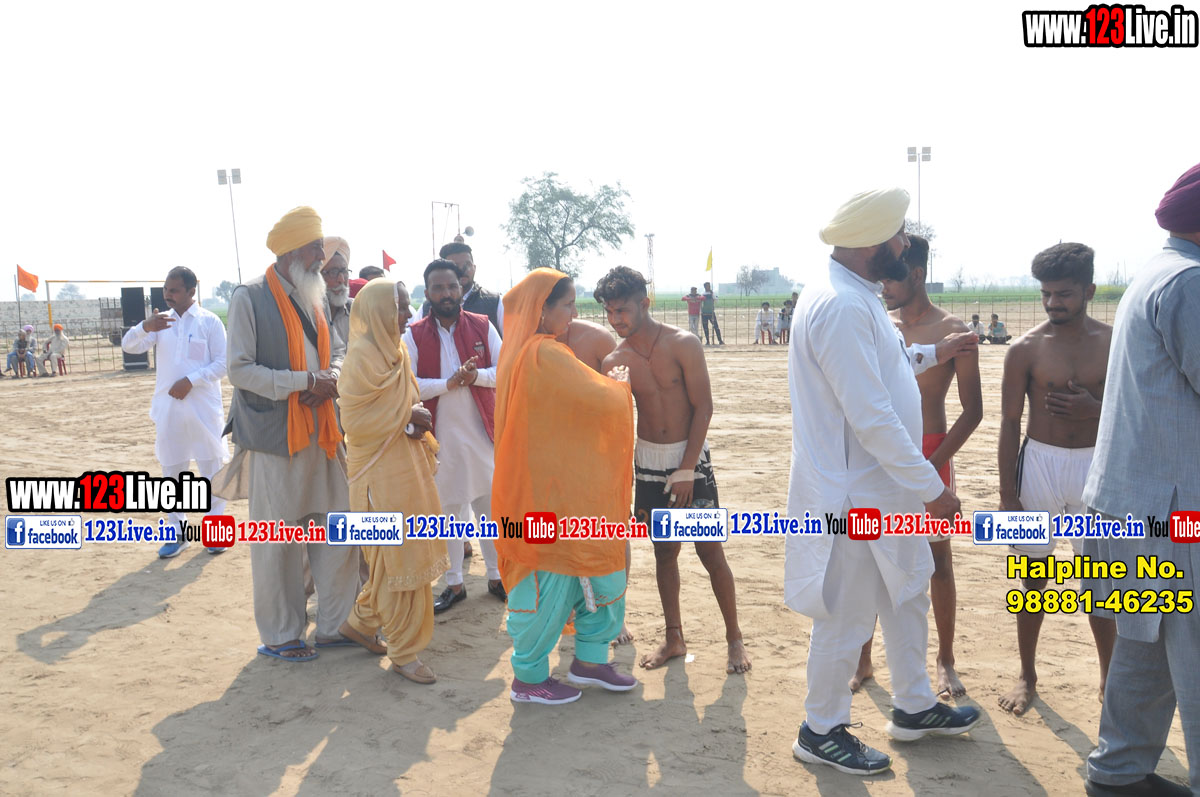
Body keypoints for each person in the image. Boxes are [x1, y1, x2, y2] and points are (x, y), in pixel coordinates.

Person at [785, 187, 981, 776]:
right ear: (872, 243)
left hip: (883, 490)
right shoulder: (841, 305)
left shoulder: (856, 295)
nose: (903, 245)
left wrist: (934, 352)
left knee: (907, 589)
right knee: (847, 613)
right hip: (856, 497)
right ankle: (820, 729)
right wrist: (933, 489)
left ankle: (914, 706)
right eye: (896, 236)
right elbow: (871, 417)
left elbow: (883, 365)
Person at [1080, 163, 1200, 797]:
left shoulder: (1158, 272)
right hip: (1177, 516)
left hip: (1136, 505)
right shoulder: (1190, 284)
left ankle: (1118, 774)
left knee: (1145, 646)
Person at [213, 206, 361, 662]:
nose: (322, 257)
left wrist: (332, 375)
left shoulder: (314, 294)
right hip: (276, 438)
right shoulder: (249, 297)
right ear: (293, 250)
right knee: (278, 541)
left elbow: (339, 349)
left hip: (324, 433)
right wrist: (303, 383)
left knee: (337, 532)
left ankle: (336, 626)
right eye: (315, 248)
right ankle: (281, 635)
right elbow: (240, 370)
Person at [596, 266, 751, 675]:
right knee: (665, 552)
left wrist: (686, 469)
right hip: (648, 464)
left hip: (690, 459)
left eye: (622, 310)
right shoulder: (614, 361)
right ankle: (674, 637)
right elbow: (611, 423)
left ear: (644, 304)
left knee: (709, 550)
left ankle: (734, 638)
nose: (615, 319)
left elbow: (704, 407)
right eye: (609, 312)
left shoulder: (683, 343)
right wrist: (615, 391)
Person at [493, 267, 637, 704]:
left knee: (585, 570)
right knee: (550, 579)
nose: (574, 314)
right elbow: (600, 399)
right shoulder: (543, 354)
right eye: (568, 305)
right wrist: (621, 386)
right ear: (543, 310)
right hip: (547, 497)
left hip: (555, 489)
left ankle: (589, 662)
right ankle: (529, 679)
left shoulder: (526, 352)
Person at [855, 235, 983, 698]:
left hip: (932, 451)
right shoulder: (879, 324)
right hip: (879, 456)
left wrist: (930, 467)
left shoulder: (952, 330)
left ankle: (945, 660)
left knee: (937, 560)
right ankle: (864, 658)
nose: (883, 287)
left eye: (891, 279)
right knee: (869, 556)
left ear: (916, 275)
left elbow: (973, 411)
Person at [997, 242, 1117, 716]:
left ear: (1089, 290)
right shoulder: (1025, 349)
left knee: (1100, 579)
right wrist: (1007, 495)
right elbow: (1009, 422)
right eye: (1046, 293)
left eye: (1064, 293)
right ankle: (1027, 675)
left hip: (1096, 465)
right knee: (1033, 577)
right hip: (1039, 465)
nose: (1053, 302)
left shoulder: (1115, 343)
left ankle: (1109, 678)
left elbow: (1135, 412)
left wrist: (1095, 408)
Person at [337, 278, 450, 684]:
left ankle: (361, 623)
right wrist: (407, 418)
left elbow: (406, 402)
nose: (407, 314)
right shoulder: (360, 359)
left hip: (405, 468)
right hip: (375, 477)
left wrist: (412, 419)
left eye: (406, 306)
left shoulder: (397, 352)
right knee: (396, 558)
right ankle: (403, 653)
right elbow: (354, 422)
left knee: (397, 558)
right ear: (378, 312)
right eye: (399, 307)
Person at [403, 259, 505, 612]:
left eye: (451, 286)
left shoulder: (482, 325)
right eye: (438, 288)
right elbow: (408, 385)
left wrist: (475, 377)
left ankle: (496, 577)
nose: (446, 293)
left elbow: (504, 370)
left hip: (482, 434)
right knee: (447, 512)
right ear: (428, 293)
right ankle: (455, 584)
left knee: (489, 509)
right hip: (438, 438)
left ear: (461, 289)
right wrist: (448, 384)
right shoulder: (413, 334)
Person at [121, 266, 231, 558]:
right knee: (172, 473)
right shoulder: (161, 323)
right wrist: (145, 326)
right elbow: (129, 346)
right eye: (165, 290)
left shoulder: (209, 322)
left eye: (174, 290)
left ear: (191, 291)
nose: (168, 295)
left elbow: (223, 363)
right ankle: (178, 534)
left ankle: (214, 533)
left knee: (212, 470)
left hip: (203, 410)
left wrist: (191, 381)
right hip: (169, 410)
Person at [556, 315, 634, 645]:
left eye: (571, 303)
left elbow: (620, 398)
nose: (568, 311)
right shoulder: (530, 341)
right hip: (554, 453)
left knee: (613, 530)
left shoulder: (598, 339)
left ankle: (616, 612)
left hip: (601, 453)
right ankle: (570, 608)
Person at [419, 242, 504, 335]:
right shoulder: (426, 308)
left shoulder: (495, 302)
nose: (462, 270)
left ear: (474, 267)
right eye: (455, 265)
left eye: (467, 264)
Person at [321, 237, 352, 348]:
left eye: (344, 271)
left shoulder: (357, 311)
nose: (341, 279)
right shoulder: (306, 314)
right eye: (333, 272)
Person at [700, 282, 724, 346]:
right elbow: (700, 303)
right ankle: (707, 341)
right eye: (707, 286)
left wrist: (712, 294)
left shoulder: (712, 293)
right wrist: (701, 311)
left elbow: (716, 300)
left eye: (709, 286)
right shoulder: (702, 294)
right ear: (704, 287)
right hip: (704, 313)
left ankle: (720, 340)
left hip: (711, 313)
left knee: (716, 327)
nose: (708, 287)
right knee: (705, 328)